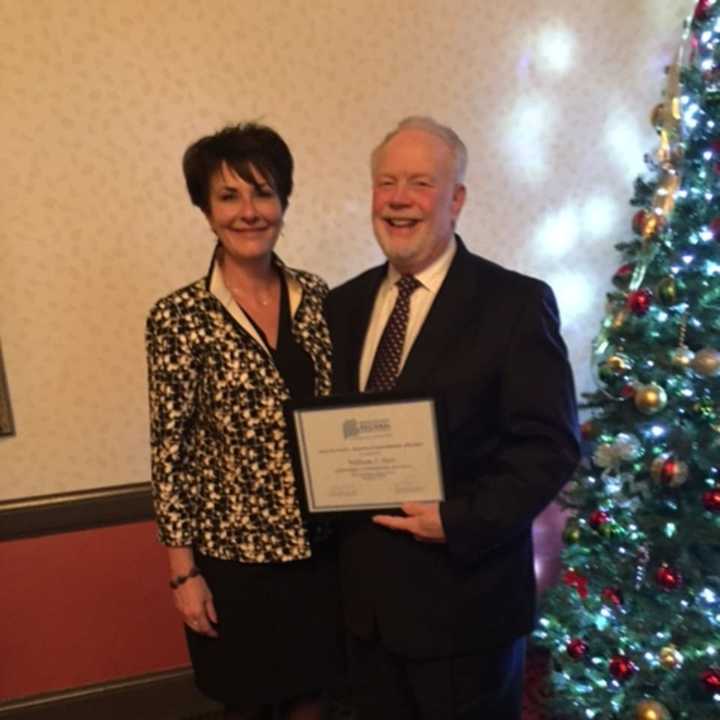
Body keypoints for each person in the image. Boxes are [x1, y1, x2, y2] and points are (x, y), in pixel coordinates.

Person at [325, 116, 580, 720]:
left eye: (420, 182)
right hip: (365, 617)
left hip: (467, 610)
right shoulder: (342, 304)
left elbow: (548, 446)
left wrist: (457, 521)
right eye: (386, 182)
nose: (398, 199)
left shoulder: (515, 304)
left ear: (456, 199)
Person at [145, 123, 343, 720]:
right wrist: (184, 576)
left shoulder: (321, 299)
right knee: (249, 705)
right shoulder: (178, 317)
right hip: (233, 563)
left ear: (284, 201)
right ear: (205, 209)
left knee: (322, 700)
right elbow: (169, 453)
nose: (249, 212)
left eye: (263, 193)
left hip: (323, 555)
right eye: (229, 196)